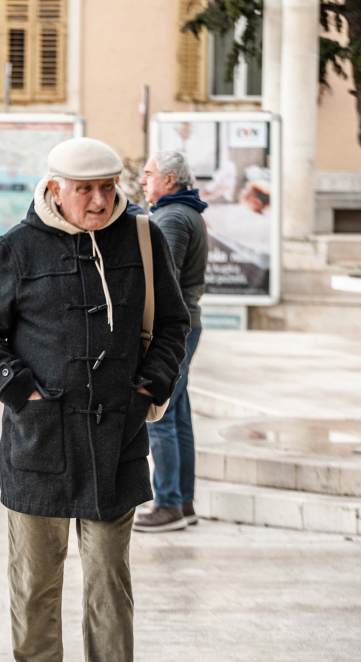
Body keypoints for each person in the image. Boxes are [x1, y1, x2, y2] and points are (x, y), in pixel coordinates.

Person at [0, 138, 189, 662]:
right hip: (39, 442)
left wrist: (148, 388)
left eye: (109, 187)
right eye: (85, 189)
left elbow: (173, 325)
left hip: (119, 441)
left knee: (110, 582)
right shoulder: (17, 247)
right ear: (54, 186)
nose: (99, 199)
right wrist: (21, 389)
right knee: (35, 581)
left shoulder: (143, 237)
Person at [134, 150, 208, 532]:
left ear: (170, 180)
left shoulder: (172, 218)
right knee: (177, 416)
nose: (143, 181)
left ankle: (168, 506)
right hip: (188, 326)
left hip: (174, 330)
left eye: (149, 174)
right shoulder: (183, 212)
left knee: (159, 414)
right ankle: (183, 502)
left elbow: (165, 283)